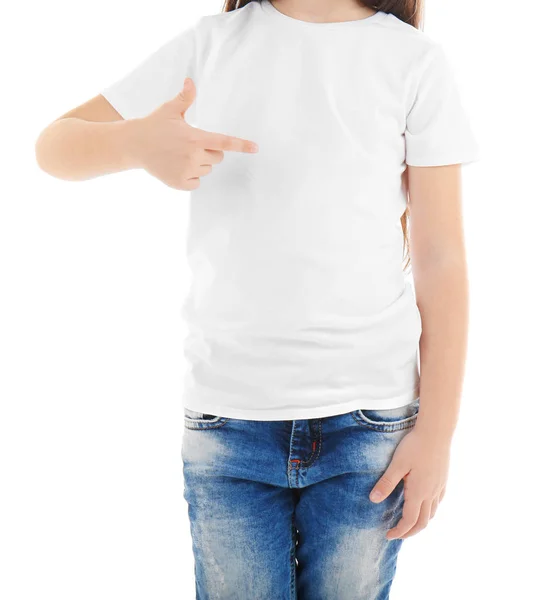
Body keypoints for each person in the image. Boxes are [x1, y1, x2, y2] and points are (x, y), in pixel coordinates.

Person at [34, 0, 480, 597]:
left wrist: (438, 434)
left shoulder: (413, 61)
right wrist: (136, 143)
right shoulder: (211, 44)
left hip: (370, 425)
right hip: (230, 423)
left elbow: (442, 260)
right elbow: (55, 145)